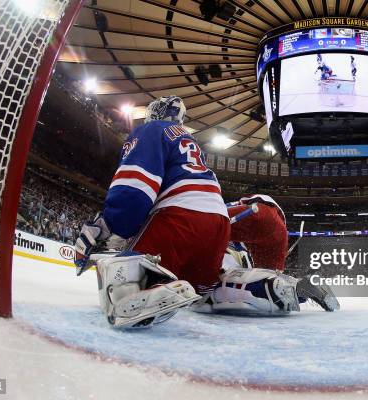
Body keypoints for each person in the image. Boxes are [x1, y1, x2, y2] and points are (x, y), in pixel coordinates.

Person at [74, 96, 334, 328]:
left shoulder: (152, 130)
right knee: (206, 293)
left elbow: (135, 188)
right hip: (218, 226)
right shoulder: (193, 146)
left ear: (155, 114)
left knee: (118, 271)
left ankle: (143, 289)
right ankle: (279, 287)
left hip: (179, 218)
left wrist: (109, 224)